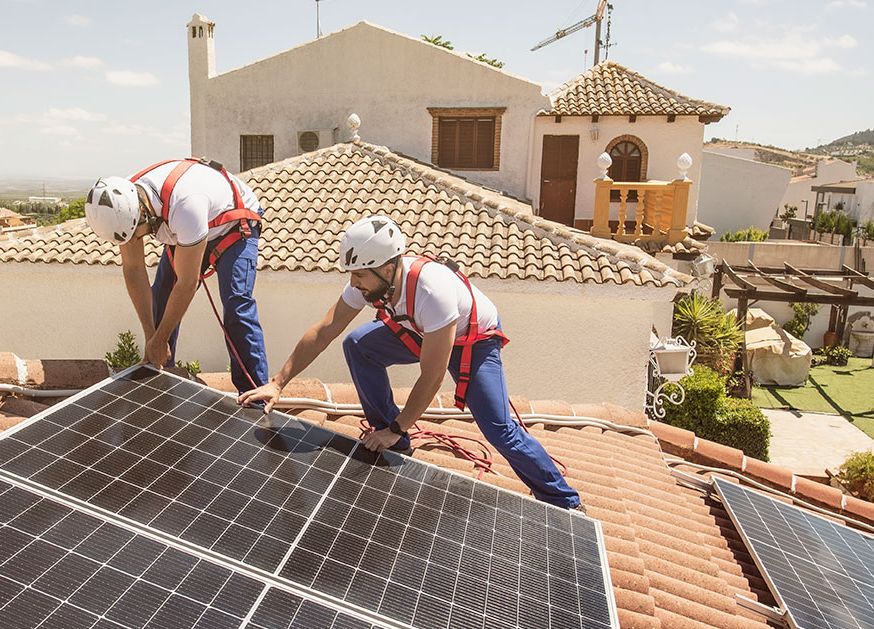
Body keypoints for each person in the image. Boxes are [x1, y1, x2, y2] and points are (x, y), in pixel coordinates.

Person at [238, 215, 581, 510]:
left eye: (360, 276)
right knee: (357, 345)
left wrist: (399, 425)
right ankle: (392, 439)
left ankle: (564, 501)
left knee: (498, 429)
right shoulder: (371, 281)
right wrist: (278, 382)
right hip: (419, 329)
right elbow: (325, 329)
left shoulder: (432, 291)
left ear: (388, 268)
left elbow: (432, 377)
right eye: (352, 275)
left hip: (472, 340)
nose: (353, 284)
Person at [86, 158, 268, 394]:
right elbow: (133, 270)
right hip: (186, 228)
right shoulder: (123, 206)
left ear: (143, 212)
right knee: (161, 298)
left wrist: (160, 339)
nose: (133, 241)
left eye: (135, 235)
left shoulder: (185, 206)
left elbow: (187, 283)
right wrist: (152, 336)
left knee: (236, 305)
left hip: (232, 225)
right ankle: (160, 378)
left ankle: (255, 394)